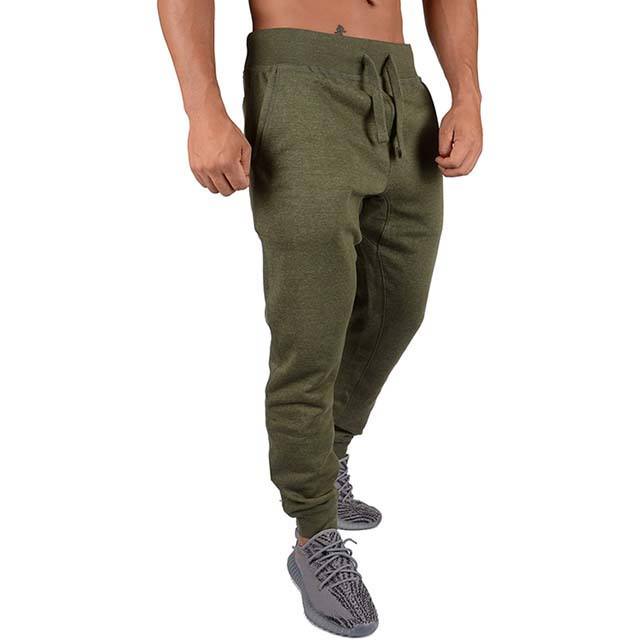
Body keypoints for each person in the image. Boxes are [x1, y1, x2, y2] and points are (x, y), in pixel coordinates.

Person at [158, 0, 482, 635]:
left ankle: (326, 457)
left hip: (400, 85)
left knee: (399, 305)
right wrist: (203, 109)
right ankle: (314, 532)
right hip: (299, 81)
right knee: (310, 328)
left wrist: (466, 95)